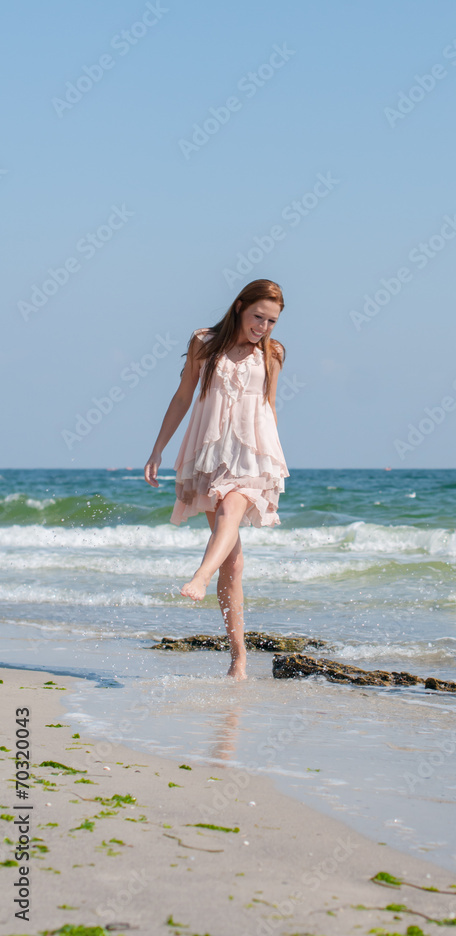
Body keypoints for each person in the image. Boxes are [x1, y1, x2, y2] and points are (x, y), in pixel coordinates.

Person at [144, 279, 289, 679]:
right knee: (235, 564)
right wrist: (158, 449)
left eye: (272, 321)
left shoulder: (272, 354)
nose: (263, 327)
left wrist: (273, 462)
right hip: (208, 452)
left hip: (251, 454)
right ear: (240, 306)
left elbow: (269, 406)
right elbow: (182, 396)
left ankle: (199, 576)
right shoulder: (203, 343)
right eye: (258, 316)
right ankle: (238, 657)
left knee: (232, 512)